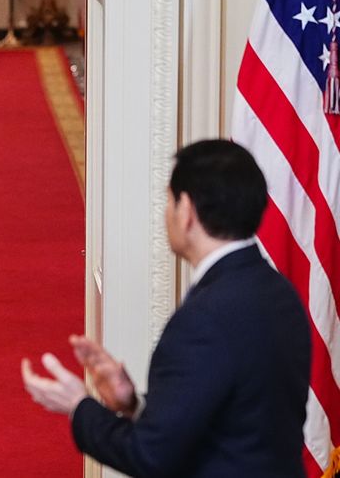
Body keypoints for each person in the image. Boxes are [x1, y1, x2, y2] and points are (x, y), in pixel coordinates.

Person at [21, 139, 311, 477]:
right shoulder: (282, 294)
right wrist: (134, 404)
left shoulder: (203, 320)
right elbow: (232, 423)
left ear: (186, 210)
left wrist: (79, 407)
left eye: (169, 200)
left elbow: (150, 455)